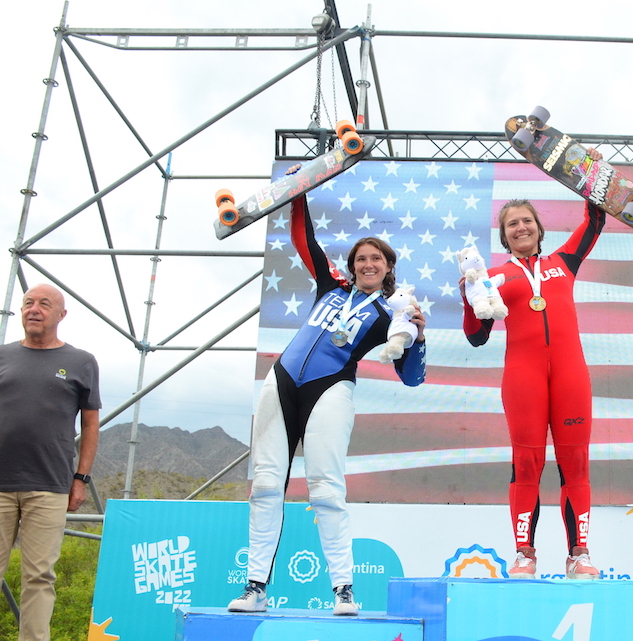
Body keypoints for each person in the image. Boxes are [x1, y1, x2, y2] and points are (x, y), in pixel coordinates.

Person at [228, 196, 426, 615]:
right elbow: (307, 242)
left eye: (376, 259)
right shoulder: (331, 287)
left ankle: (343, 590)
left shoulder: (392, 311)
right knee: (265, 485)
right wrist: (299, 191)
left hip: (331, 389)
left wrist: (418, 339)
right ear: (352, 265)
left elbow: (411, 377)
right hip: (280, 381)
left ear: (389, 267)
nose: (367, 264)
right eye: (360, 258)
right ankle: (255, 588)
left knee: (326, 489)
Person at [462, 152, 607, 581]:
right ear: (504, 237)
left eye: (527, 221)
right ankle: (524, 554)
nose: (521, 227)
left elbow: (594, 221)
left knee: (575, 463)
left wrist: (592, 174)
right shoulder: (492, 278)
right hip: (522, 378)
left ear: (540, 230)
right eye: (512, 224)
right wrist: (468, 296)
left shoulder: (565, 263)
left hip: (571, 376)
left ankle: (579, 553)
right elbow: (477, 335)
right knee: (526, 464)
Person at [0, 284, 100, 641]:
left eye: (44, 304)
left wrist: (80, 479)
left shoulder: (81, 362)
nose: (34, 309)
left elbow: (90, 425)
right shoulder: (3, 356)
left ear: (62, 314)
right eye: (28, 303)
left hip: (50, 485)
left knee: (39, 574)